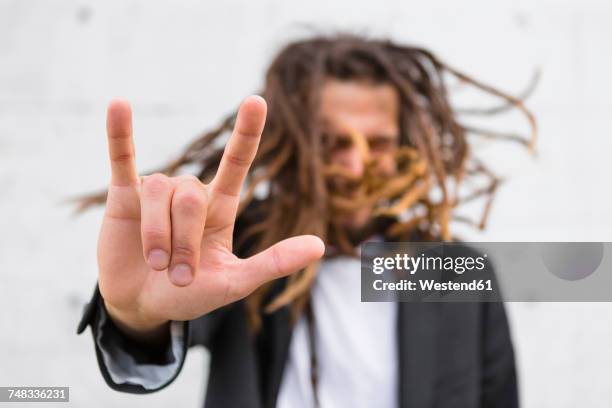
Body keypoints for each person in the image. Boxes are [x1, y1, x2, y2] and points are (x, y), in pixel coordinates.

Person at [77, 34, 535, 408]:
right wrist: (135, 316)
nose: (355, 167)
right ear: (294, 142)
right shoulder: (237, 245)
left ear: (404, 148)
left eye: (377, 144)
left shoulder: (454, 269)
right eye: (331, 142)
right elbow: (153, 336)